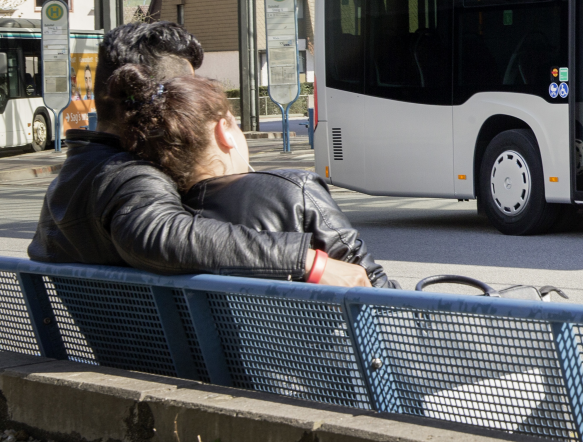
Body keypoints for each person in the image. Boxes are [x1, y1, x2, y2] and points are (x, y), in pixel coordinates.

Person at [29, 21, 367, 287]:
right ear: (164, 104)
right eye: (185, 93)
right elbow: (157, 234)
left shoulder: (74, 177)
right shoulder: (126, 176)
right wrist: (309, 261)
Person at [105, 65, 393, 289]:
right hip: (313, 359)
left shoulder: (162, 210)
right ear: (224, 132)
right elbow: (373, 287)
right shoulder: (294, 190)